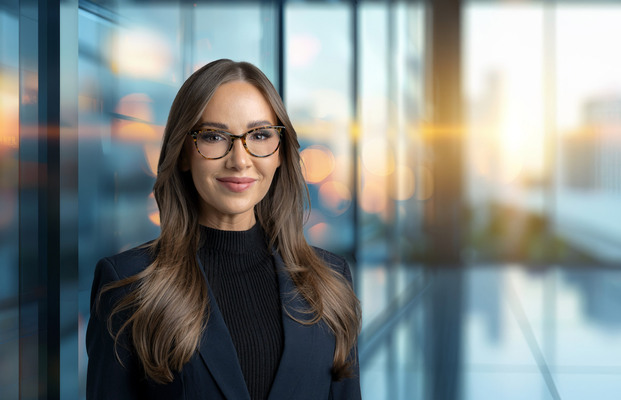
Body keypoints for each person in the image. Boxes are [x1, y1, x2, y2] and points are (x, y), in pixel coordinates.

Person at [86, 59, 362, 400]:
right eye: (214, 136)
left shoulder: (331, 283)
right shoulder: (127, 285)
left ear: (280, 153)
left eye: (260, 135)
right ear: (184, 153)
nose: (240, 159)